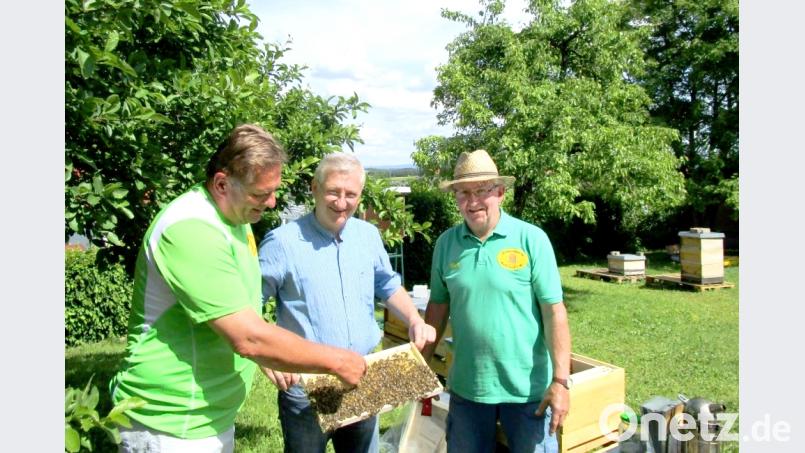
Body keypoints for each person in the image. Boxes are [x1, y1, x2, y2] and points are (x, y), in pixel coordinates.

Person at [109, 124, 367, 453]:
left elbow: (237, 310)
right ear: (221, 183)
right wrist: (337, 361)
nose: (272, 203)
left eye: (273, 191)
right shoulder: (191, 229)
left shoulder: (235, 218)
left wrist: (269, 351)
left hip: (207, 416)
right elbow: (247, 337)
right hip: (171, 423)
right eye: (261, 194)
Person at [258, 152, 436, 453]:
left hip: (362, 375)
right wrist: (264, 356)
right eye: (333, 192)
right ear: (314, 188)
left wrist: (415, 319)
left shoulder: (367, 235)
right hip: (307, 386)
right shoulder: (281, 243)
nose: (341, 202)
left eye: (350, 194)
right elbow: (246, 305)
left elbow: (387, 283)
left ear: (360, 195)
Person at [421, 149, 572, 453]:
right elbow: (437, 307)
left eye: (482, 191)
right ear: (456, 198)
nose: (473, 201)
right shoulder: (446, 243)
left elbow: (554, 312)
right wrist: (421, 366)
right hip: (468, 388)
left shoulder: (532, 239)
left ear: (501, 193)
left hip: (528, 391)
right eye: (464, 193)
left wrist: (560, 381)